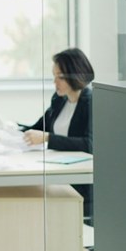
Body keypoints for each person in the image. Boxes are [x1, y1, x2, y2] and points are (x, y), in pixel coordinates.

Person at [23, 47, 94, 224]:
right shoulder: (59, 99)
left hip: (80, 179)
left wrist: (48, 138)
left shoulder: (91, 102)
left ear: (75, 75)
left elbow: (89, 144)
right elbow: (38, 127)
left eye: (60, 77)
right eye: (54, 76)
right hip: (58, 170)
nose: (55, 82)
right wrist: (12, 129)